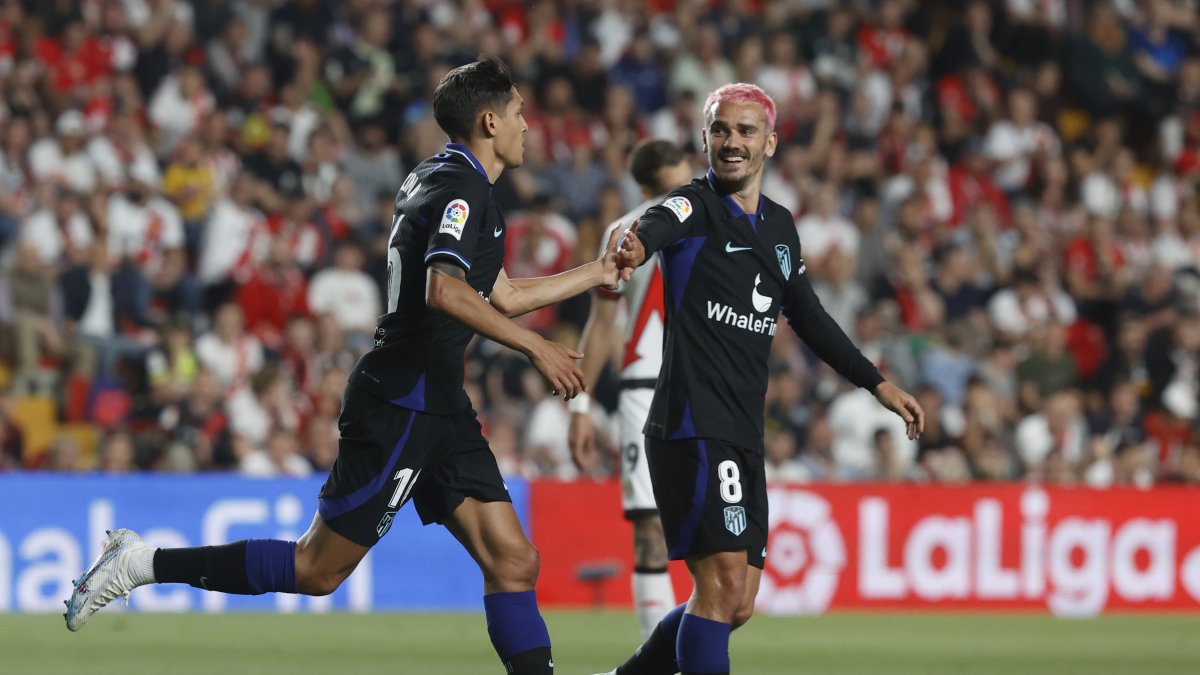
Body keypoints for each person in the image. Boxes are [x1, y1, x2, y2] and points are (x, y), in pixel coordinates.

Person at [64, 56, 626, 675]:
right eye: (520, 112)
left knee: (514, 561)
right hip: (402, 403)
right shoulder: (460, 190)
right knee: (317, 569)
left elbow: (505, 294)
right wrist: (536, 347)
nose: (529, 125)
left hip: (440, 403)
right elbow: (446, 291)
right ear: (490, 121)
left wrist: (595, 273)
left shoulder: (443, 179)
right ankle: (142, 563)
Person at [599, 83, 924, 675]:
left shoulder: (779, 227)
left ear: (769, 142)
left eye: (746, 131)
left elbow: (808, 315)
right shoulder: (692, 205)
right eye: (720, 129)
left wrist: (879, 384)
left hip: (741, 431)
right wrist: (632, 246)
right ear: (704, 139)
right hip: (692, 424)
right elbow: (653, 227)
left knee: (737, 601)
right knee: (720, 589)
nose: (732, 142)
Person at [568, 138, 693, 640]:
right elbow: (601, 325)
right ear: (645, 188)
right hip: (644, 388)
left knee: (690, 533)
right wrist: (580, 403)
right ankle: (658, 657)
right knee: (650, 529)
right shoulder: (625, 232)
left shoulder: (717, 220)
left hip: (700, 388)